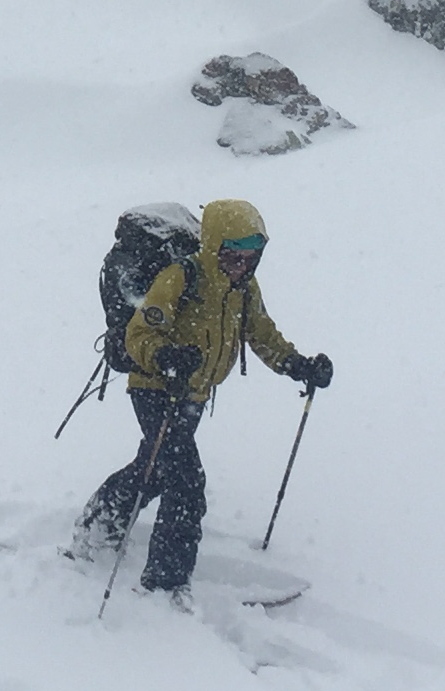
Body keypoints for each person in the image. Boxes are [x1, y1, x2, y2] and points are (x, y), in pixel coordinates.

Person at [72, 196, 332, 600]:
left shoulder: (244, 289)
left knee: (155, 468)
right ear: (214, 247)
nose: (241, 265)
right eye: (233, 255)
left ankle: (97, 526)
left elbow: (261, 334)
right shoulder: (181, 277)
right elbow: (138, 334)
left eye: (251, 257)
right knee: (187, 484)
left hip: (193, 393)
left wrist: (297, 365)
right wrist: (166, 357)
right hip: (155, 388)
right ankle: (165, 583)